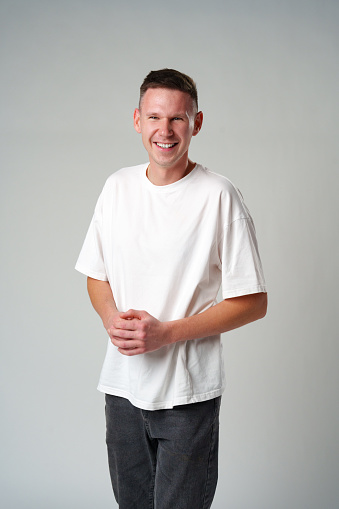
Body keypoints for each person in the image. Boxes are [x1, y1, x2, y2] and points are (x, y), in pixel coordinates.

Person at [75, 68, 267, 509]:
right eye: (155, 117)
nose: (165, 131)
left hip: (187, 395)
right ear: (138, 119)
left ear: (196, 123)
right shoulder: (116, 187)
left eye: (178, 119)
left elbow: (254, 301)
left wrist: (166, 333)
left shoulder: (220, 195)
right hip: (122, 390)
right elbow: (95, 274)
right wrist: (109, 317)